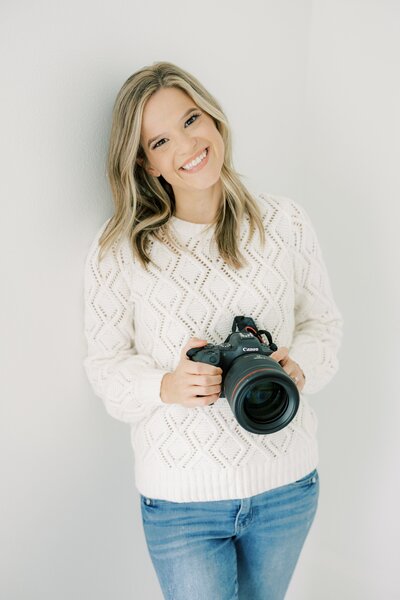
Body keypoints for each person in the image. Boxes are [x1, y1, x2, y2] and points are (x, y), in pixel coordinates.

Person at [83, 61, 343, 600]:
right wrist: (165, 386)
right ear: (145, 162)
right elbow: (105, 368)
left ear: (215, 119)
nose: (187, 144)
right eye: (160, 140)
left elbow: (324, 325)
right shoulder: (121, 251)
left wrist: (300, 365)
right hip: (182, 506)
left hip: (287, 486)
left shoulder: (286, 222)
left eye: (192, 119)